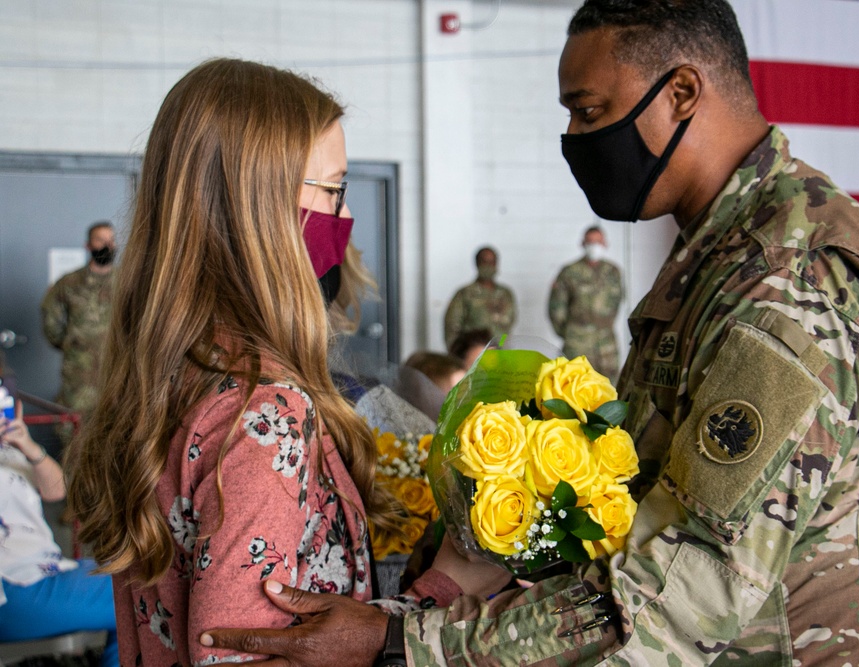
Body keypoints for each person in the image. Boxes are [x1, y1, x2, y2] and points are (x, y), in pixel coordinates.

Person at [202, 1, 859, 665]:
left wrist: (404, 642)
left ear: (682, 92)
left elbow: (690, 588)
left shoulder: (790, 279)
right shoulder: (717, 257)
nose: (576, 139)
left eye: (590, 112)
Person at [67, 58, 507, 667]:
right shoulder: (263, 411)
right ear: (260, 209)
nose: (345, 219)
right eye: (333, 190)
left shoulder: (173, 378)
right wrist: (442, 591)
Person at [0, 394, 118, 667]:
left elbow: (56, 490)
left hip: (42, 568)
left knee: (135, 579)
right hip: (13, 585)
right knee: (136, 594)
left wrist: (26, 445)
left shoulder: (8, 448)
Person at [39, 221, 116, 446]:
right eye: (100, 240)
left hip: (117, 378)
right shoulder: (69, 282)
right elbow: (50, 319)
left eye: (111, 240)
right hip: (79, 381)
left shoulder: (128, 281)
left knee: (115, 444)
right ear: (88, 245)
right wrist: (71, 345)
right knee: (75, 442)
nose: (107, 245)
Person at [548, 225, 624, 378]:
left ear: (605, 243)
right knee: (571, 387)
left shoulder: (613, 271)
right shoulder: (569, 272)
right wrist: (569, 333)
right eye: (590, 242)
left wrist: (603, 325)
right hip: (577, 343)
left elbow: (617, 303)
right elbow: (556, 308)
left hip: (606, 345)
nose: (594, 246)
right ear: (582, 243)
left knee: (610, 391)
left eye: (598, 241)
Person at [443, 247, 517, 348]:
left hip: (500, 353)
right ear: (477, 263)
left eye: (492, 262)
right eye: (485, 262)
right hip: (473, 355)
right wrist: (459, 354)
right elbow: (452, 327)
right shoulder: (465, 294)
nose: (489, 266)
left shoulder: (506, 294)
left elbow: (509, 326)